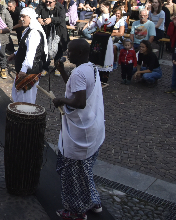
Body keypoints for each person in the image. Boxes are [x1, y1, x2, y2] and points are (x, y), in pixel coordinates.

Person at [52, 39, 105, 220]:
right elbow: (76, 90)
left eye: (70, 51)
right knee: (85, 171)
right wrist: (62, 72)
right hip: (93, 129)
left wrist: (61, 100)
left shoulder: (79, 73)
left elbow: (79, 102)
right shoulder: (90, 67)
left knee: (73, 174)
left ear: (81, 53)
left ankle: (76, 211)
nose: (67, 54)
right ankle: (94, 201)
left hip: (80, 133)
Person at [8, 7, 47, 104]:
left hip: (30, 70)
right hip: (25, 69)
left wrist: (24, 69)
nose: (21, 19)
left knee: (26, 100)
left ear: (30, 17)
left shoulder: (34, 33)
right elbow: (24, 47)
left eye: (23, 16)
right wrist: (15, 54)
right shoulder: (28, 30)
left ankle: (26, 117)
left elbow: (31, 53)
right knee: (19, 97)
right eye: (20, 16)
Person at [37, 0, 68, 71]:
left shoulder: (60, 7)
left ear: (55, 2)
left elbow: (62, 18)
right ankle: (45, 67)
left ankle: (57, 67)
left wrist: (51, 19)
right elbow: (35, 14)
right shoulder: (42, 6)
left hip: (59, 31)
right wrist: (38, 18)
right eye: (47, 1)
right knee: (45, 49)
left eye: (50, 2)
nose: (47, 3)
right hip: (47, 31)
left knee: (59, 50)